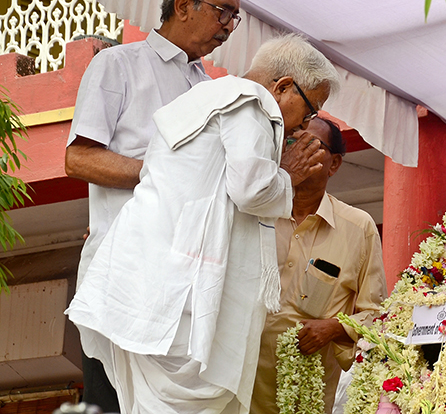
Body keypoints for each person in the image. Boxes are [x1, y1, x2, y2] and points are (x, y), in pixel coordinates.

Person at [66, 34, 341, 414]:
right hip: (183, 299)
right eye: (311, 110)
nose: (305, 126)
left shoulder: (202, 97)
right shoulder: (252, 101)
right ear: (283, 87)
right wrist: (287, 176)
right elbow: (251, 188)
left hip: (142, 287)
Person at [64, 0, 246, 410]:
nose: (228, 26)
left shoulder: (209, 89)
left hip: (184, 287)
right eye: (223, 11)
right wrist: (160, 173)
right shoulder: (118, 65)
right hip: (123, 279)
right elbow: (78, 159)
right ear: (184, 5)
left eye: (235, 17)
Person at [250, 117, 387, 414]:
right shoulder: (255, 214)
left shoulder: (358, 227)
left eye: (309, 144)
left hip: (306, 394)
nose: (297, 151)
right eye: (291, 142)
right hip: (240, 385)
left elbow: (376, 316)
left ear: (334, 164)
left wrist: (334, 328)